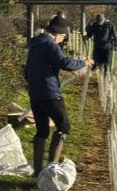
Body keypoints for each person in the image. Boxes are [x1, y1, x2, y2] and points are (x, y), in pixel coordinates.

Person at [25, 15, 94, 176]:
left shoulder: (35, 45)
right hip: (50, 93)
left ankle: (37, 170)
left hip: (35, 93)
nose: (62, 40)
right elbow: (64, 63)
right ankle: (51, 168)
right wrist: (84, 62)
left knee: (41, 130)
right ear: (57, 33)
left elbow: (27, 72)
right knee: (63, 126)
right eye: (62, 36)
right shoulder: (50, 45)